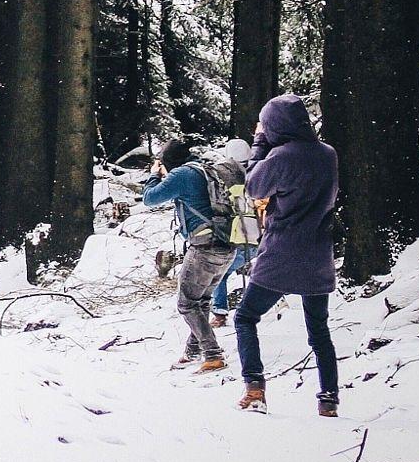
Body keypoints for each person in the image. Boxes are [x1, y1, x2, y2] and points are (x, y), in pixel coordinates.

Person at [234, 93, 341, 416]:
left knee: (245, 317)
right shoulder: (328, 154)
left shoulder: (280, 157)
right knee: (319, 331)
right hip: (319, 253)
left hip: (281, 253)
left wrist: (258, 145)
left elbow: (253, 188)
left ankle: (254, 388)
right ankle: (328, 399)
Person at [141, 138, 240, 374]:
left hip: (205, 248)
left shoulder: (181, 175)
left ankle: (213, 354)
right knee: (201, 301)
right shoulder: (204, 171)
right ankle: (193, 351)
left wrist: (155, 175)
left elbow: (149, 198)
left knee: (186, 303)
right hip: (226, 246)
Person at [210, 138, 259, 326]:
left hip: (237, 238)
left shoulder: (224, 180)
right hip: (258, 237)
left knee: (219, 273)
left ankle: (220, 313)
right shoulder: (256, 175)